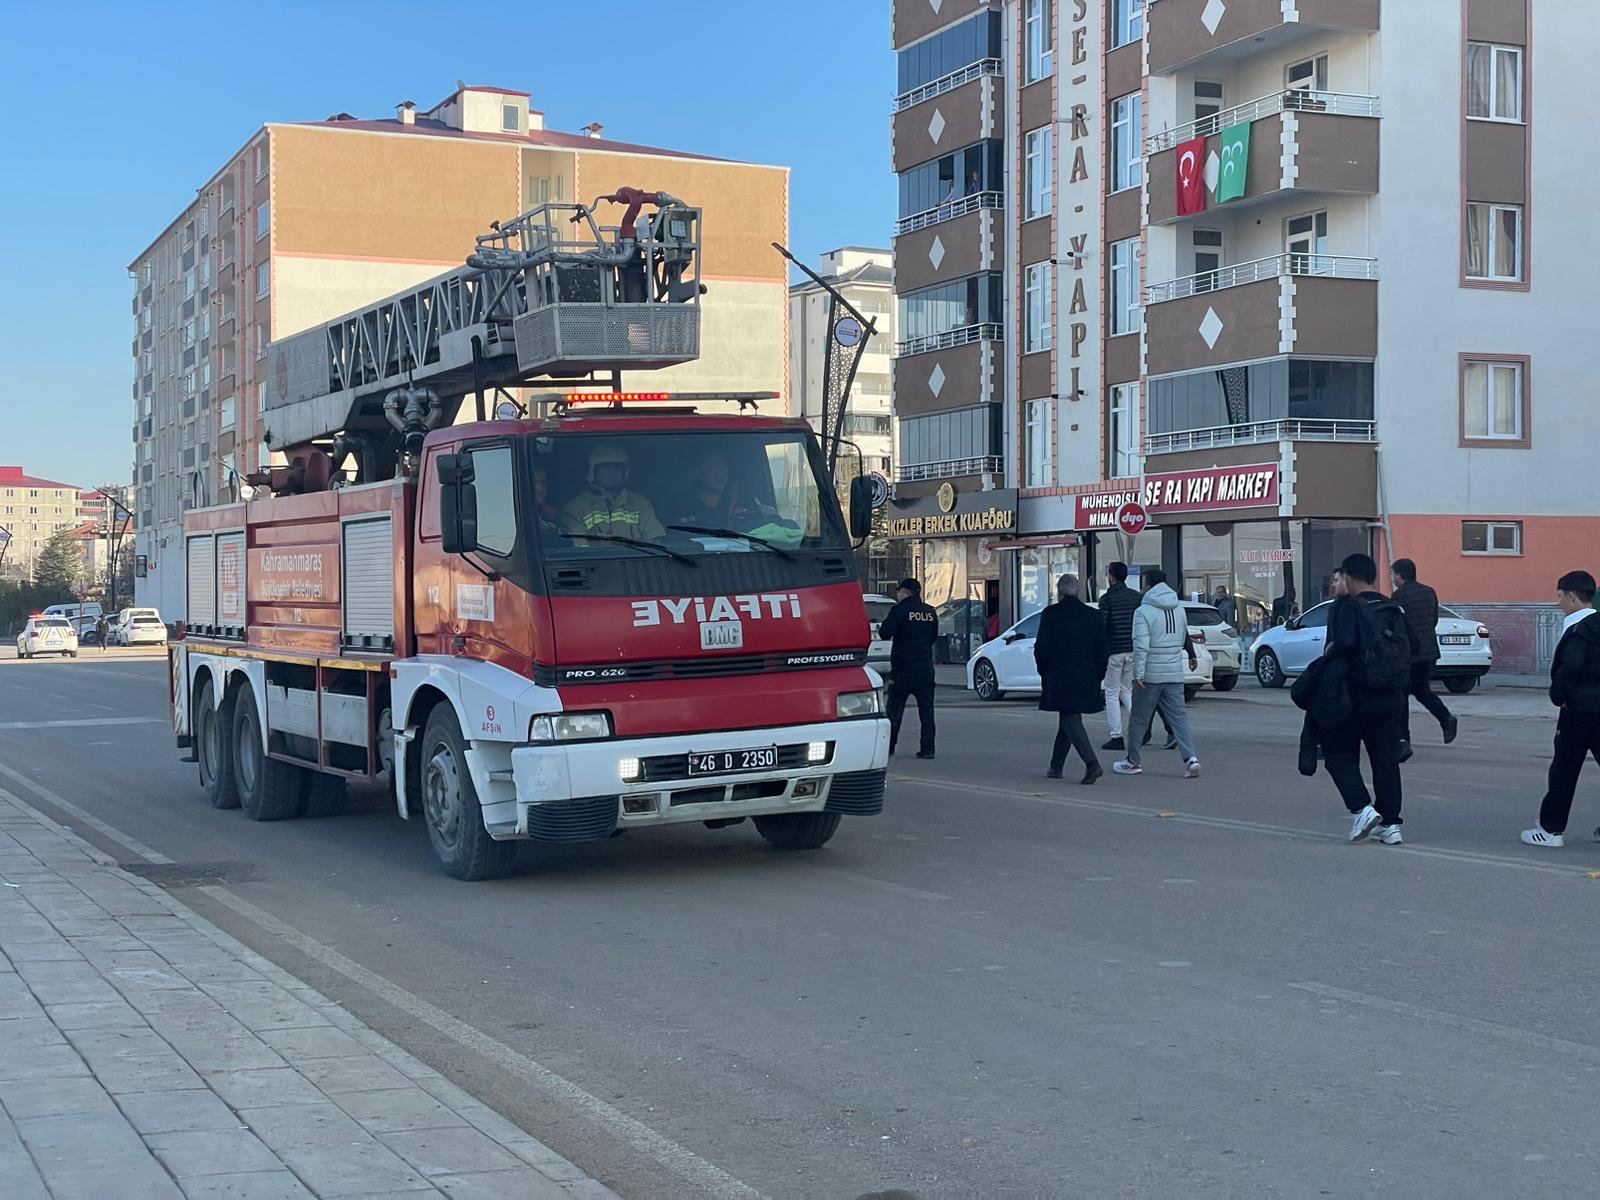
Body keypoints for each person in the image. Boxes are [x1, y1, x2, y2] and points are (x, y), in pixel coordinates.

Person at [1320, 553, 1416, 845]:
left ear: (1348, 577)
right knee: (1385, 760)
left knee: (1337, 755)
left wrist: (1329, 655)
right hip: (1390, 696)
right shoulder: (1393, 607)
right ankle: (1390, 824)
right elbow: (1416, 645)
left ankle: (1361, 808)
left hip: (1354, 696)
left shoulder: (1347, 606)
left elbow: (1345, 644)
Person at [1521, 571, 1600, 848]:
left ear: (1573, 597)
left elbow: (1570, 667)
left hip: (1578, 709)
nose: (1558, 603)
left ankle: (1550, 830)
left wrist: (1558, 695)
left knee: (1564, 770)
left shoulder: (1578, 630)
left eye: (1560, 596)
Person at [1112, 568, 1202, 778]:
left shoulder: (1143, 612)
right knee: (1179, 718)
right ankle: (1191, 759)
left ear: (1148, 585)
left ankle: (1133, 761)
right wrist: (1190, 654)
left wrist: (1139, 673)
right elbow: (1182, 636)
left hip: (1151, 673)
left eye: (1144, 583)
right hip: (1174, 672)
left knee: (1138, 719)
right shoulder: (1178, 608)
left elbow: (1141, 645)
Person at [1035, 575, 1110, 784]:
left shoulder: (1051, 614)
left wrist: (1044, 671)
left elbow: (1041, 647)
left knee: (1069, 717)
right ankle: (1055, 766)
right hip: (1087, 676)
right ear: (1078, 591)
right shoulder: (1093, 616)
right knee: (1068, 717)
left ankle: (1092, 763)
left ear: (1059, 592)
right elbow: (1103, 648)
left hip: (1059, 676)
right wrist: (1098, 673)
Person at [1390, 558, 1458, 760]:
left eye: (1393, 574)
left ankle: (1403, 739)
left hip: (1408, 654)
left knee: (1401, 695)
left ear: (1400, 575)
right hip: (1429, 652)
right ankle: (1445, 718)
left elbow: (1397, 626)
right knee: (1421, 690)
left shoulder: (1399, 596)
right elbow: (1433, 620)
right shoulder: (1429, 592)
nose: (1392, 578)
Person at [879, 578, 937, 760]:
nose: (897, 594)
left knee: (895, 709)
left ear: (905, 592)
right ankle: (928, 749)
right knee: (926, 711)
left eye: (899, 591)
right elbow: (933, 637)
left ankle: (889, 746)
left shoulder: (899, 611)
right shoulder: (930, 612)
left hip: (903, 670)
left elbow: (884, 633)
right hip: (925, 669)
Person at [560, 445, 665, 541]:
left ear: (626, 472)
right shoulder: (576, 507)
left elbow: (655, 543)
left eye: (617, 467)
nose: (612, 473)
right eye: (605, 468)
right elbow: (579, 550)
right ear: (592, 471)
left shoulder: (640, 503)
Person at [1099, 562, 1140, 751]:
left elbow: (1103, 625)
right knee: (1126, 690)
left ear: (1112, 576)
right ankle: (1140, 728)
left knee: (1112, 692)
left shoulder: (1106, 599)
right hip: (1132, 649)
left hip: (1114, 651)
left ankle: (1116, 736)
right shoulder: (1136, 598)